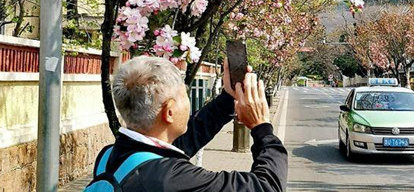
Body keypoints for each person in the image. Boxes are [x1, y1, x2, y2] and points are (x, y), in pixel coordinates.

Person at [86, 56, 287, 191]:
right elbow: (267, 186)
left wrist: (228, 98)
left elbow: (184, 141)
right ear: (169, 111)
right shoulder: (170, 179)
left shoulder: (108, 156)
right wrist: (262, 128)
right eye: (184, 94)